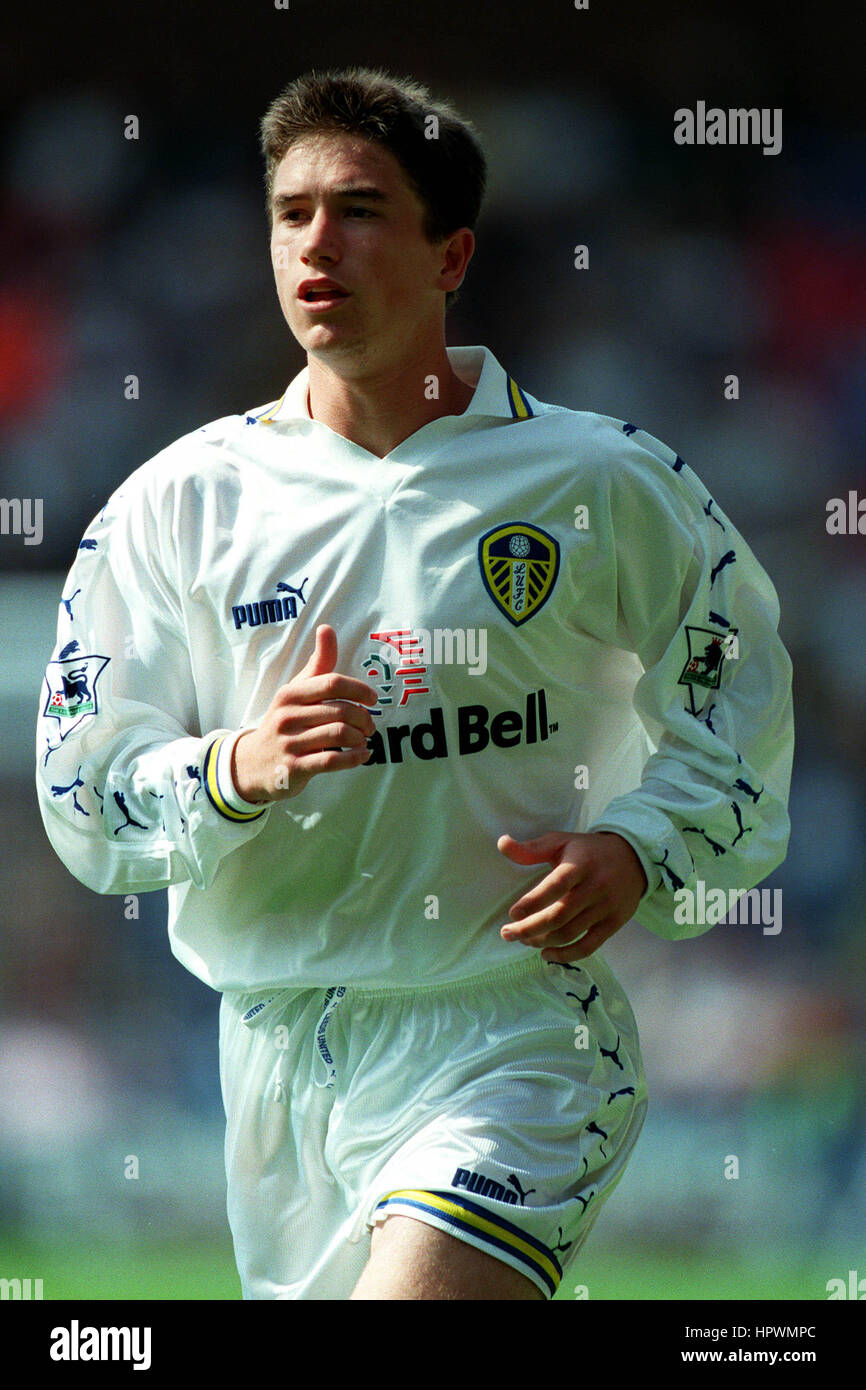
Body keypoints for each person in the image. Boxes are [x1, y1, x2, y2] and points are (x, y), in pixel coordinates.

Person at [36, 66, 794, 1301]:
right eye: (289, 212)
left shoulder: (599, 477)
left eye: (361, 209)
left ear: (451, 257)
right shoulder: (173, 503)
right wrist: (232, 766)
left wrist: (644, 847)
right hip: (275, 1055)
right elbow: (81, 791)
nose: (315, 242)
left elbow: (737, 678)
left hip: (509, 1031)